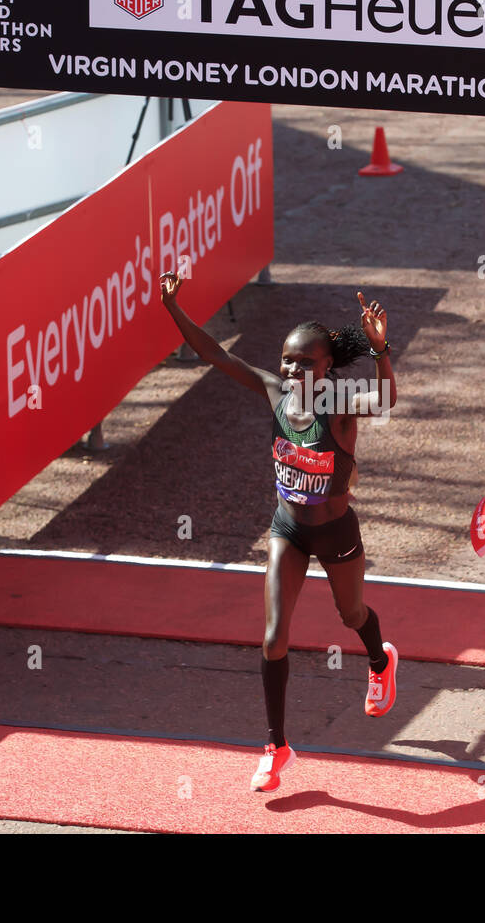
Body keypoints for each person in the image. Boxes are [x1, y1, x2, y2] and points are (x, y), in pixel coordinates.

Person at [159, 271, 399, 792]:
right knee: (272, 637)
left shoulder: (337, 407)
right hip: (288, 527)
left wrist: (381, 351)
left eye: (304, 362)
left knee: (350, 613)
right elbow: (217, 357)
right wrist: (173, 309)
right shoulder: (274, 390)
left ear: (327, 367)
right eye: (288, 359)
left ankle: (381, 661)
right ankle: (276, 746)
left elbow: (383, 402)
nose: (292, 369)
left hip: (336, 533)